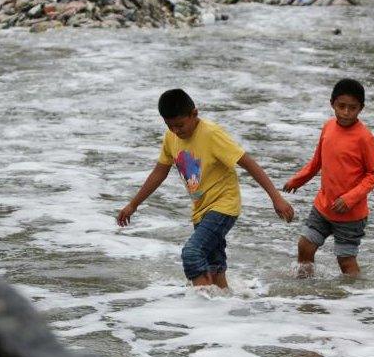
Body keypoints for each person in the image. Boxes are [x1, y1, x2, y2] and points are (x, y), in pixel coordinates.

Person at [117, 88, 294, 289]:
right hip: (201, 211)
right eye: (169, 125)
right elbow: (159, 172)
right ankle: (225, 310)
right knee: (214, 268)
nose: (176, 131)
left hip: (223, 206)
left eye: (180, 125)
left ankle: (202, 311)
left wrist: (276, 198)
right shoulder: (170, 137)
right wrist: (134, 204)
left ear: (194, 114)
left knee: (192, 253)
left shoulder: (211, 134)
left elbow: (248, 163)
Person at [283, 79, 374, 277]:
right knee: (305, 246)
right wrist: (298, 179)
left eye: (352, 108)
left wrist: (350, 198)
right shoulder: (328, 127)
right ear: (332, 104)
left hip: (350, 215)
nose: (346, 112)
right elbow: (317, 161)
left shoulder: (365, 137)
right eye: (341, 106)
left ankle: (355, 299)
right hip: (323, 207)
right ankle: (304, 289)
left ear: (361, 109)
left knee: (345, 261)